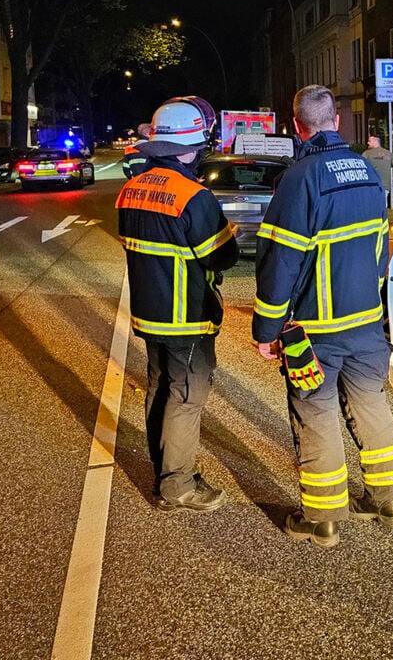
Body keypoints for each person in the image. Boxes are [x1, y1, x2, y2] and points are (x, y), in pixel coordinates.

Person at [254, 85, 393, 549]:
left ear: (297, 126)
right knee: (371, 405)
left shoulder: (300, 179)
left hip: (315, 330)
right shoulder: (367, 170)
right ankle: (389, 501)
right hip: (366, 324)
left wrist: (266, 331)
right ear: (337, 120)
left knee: (315, 412)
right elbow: (381, 249)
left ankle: (321, 519)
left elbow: (280, 262)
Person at [116, 96, 239, 512]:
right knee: (186, 399)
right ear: (193, 146)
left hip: (148, 314)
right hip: (187, 316)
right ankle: (178, 486)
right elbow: (221, 256)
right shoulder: (194, 197)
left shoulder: (130, 190)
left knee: (159, 389)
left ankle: (165, 468)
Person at [361, 134, 393, 203]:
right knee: (383, 205)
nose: (368, 143)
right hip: (385, 186)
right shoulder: (388, 153)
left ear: (375, 141)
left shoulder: (367, 153)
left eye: (369, 141)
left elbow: (360, 166)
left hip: (372, 185)